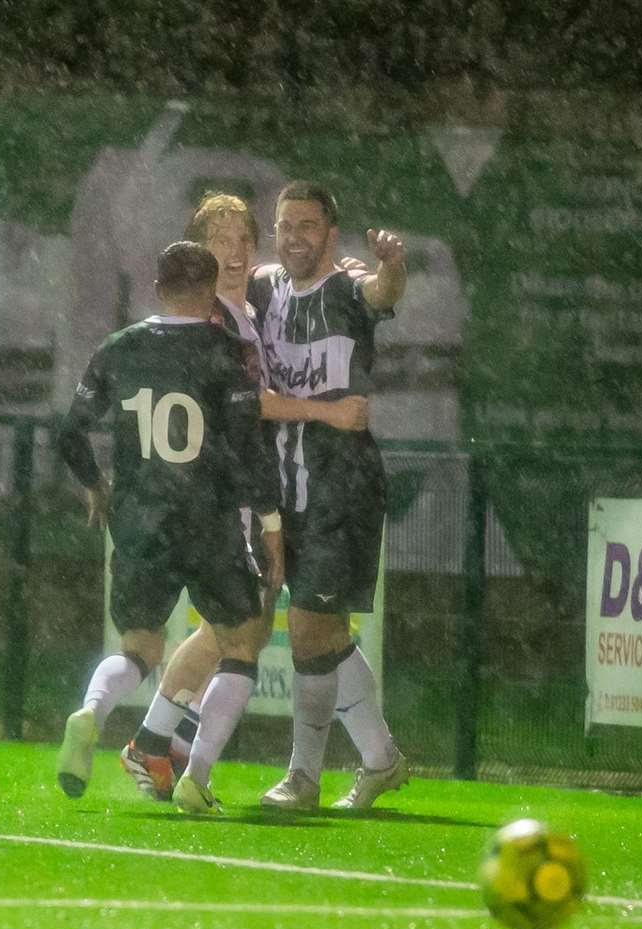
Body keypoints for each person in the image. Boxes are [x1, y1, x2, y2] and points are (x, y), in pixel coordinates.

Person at [118, 192, 370, 801]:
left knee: (252, 631)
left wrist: (357, 273)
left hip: (248, 486)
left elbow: (294, 275)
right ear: (197, 253)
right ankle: (165, 754)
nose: (233, 252)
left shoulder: (248, 305)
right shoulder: (212, 321)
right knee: (239, 632)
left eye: (242, 239)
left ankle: (158, 747)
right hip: (226, 492)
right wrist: (329, 413)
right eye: (219, 241)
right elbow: (246, 404)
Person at [54, 240, 284, 814]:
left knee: (138, 646)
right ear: (210, 296)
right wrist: (272, 520)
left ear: (156, 289)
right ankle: (195, 775)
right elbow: (249, 444)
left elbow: (70, 431)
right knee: (239, 643)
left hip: (140, 517)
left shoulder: (118, 349)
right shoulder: (225, 353)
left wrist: (95, 485)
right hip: (207, 518)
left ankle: (92, 713)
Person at [249, 181, 409, 811]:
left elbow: (382, 293)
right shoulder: (263, 291)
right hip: (279, 488)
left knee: (311, 629)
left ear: (331, 234)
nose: (294, 237)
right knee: (327, 634)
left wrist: (393, 267)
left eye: (307, 226)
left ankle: (302, 779)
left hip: (341, 487)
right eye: (285, 225)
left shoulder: (346, 290)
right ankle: (382, 760)